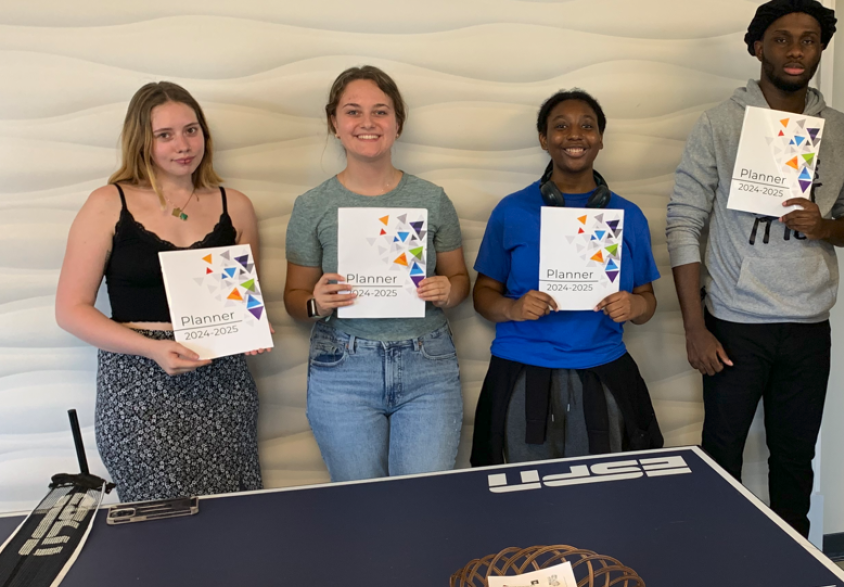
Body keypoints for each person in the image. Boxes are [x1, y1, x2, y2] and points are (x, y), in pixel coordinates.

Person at [665, 0, 844, 536]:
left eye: (808, 39)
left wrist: (825, 227)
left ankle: (792, 574)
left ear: (821, 49)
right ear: (758, 48)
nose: (796, 50)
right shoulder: (720, 124)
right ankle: (718, 565)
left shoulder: (841, 129)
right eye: (782, 38)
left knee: (793, 462)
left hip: (809, 326)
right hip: (735, 324)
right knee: (721, 458)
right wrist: (694, 326)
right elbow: (683, 223)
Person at [55, 82, 266, 502]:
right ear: (142, 142)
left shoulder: (235, 205)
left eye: (191, 130)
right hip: (138, 388)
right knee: (160, 530)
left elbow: (243, 301)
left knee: (236, 520)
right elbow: (71, 310)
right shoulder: (107, 203)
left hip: (223, 385)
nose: (183, 145)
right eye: (165, 135)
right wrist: (152, 348)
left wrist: (252, 331)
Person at [283, 66, 470, 481]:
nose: (367, 123)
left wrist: (447, 290)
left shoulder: (432, 199)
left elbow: (461, 282)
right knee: (360, 506)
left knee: (424, 503)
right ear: (334, 123)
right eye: (353, 112)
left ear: (397, 123)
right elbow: (294, 298)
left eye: (380, 112)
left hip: (428, 367)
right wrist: (316, 302)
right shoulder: (312, 205)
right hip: (343, 368)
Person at [471, 89, 663, 464]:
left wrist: (634, 304)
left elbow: (648, 301)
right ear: (544, 139)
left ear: (601, 139)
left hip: (602, 369)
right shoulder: (512, 210)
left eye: (587, 126)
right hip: (523, 368)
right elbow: (483, 293)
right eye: (561, 126)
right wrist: (512, 308)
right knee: (525, 493)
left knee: (600, 494)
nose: (574, 135)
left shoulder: (629, 216)